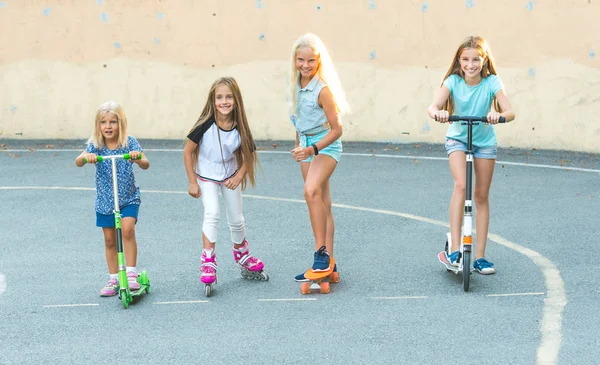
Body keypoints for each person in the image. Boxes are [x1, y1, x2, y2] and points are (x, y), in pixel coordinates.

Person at [427, 36, 515, 274]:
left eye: (476, 59)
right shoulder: (453, 81)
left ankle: (480, 257)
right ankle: (455, 249)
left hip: (484, 142)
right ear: (459, 61)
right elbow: (432, 106)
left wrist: (499, 115)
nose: (471, 64)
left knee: (481, 196)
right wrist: (440, 112)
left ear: (484, 61)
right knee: (461, 185)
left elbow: (510, 111)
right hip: (457, 139)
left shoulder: (492, 82)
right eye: (465, 59)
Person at [183, 76, 266, 286]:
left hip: (230, 175)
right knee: (212, 213)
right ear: (213, 100)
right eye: (219, 97)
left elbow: (249, 155)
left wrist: (239, 176)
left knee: (236, 219)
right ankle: (208, 260)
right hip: (206, 175)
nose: (224, 101)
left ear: (236, 99)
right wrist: (192, 181)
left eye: (229, 97)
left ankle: (242, 254)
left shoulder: (240, 127)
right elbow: (187, 151)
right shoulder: (205, 124)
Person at [288, 33, 350, 282]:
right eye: (301, 60)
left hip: (326, 147)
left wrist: (312, 150)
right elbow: (299, 119)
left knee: (310, 191)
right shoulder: (295, 86)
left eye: (310, 61)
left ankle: (321, 254)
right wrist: (299, 145)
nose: (305, 65)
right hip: (305, 147)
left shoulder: (323, 90)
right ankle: (330, 263)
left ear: (319, 61)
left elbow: (337, 129)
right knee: (323, 203)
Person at [75, 101, 150, 296]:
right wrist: (87, 157)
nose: (108, 126)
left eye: (113, 122)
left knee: (127, 230)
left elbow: (145, 163)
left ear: (121, 123)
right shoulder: (96, 146)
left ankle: (131, 273)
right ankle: (114, 278)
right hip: (105, 201)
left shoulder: (129, 142)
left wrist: (137, 157)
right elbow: (78, 161)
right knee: (109, 240)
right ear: (98, 125)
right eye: (103, 122)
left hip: (128, 198)